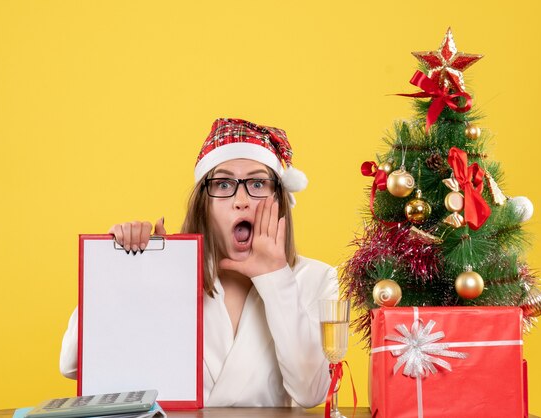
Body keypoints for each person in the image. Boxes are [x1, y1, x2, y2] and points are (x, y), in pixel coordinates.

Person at [59, 118, 339, 407]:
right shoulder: (169, 270)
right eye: (223, 183)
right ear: (204, 203)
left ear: (279, 199)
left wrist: (275, 277)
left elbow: (310, 394)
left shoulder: (316, 278)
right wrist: (120, 270)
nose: (240, 200)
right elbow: (72, 362)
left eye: (257, 183)